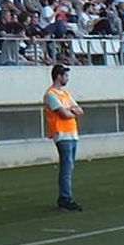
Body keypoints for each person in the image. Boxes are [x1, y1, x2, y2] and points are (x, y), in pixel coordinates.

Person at [44, 64, 84, 211]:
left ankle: (65, 196)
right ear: (58, 76)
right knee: (66, 168)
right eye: (65, 75)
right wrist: (70, 111)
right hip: (61, 133)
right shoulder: (51, 94)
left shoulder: (65, 94)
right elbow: (64, 114)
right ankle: (65, 197)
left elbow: (79, 110)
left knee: (69, 166)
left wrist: (70, 110)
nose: (67, 78)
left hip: (72, 133)